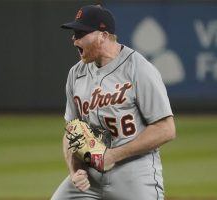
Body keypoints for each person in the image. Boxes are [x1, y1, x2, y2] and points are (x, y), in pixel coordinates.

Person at [51, 4, 176, 200]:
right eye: (74, 33)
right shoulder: (76, 74)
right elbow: (72, 131)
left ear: (103, 35)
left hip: (134, 174)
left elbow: (166, 129)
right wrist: (75, 171)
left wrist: (112, 155)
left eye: (81, 33)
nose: (74, 38)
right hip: (90, 178)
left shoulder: (139, 69)